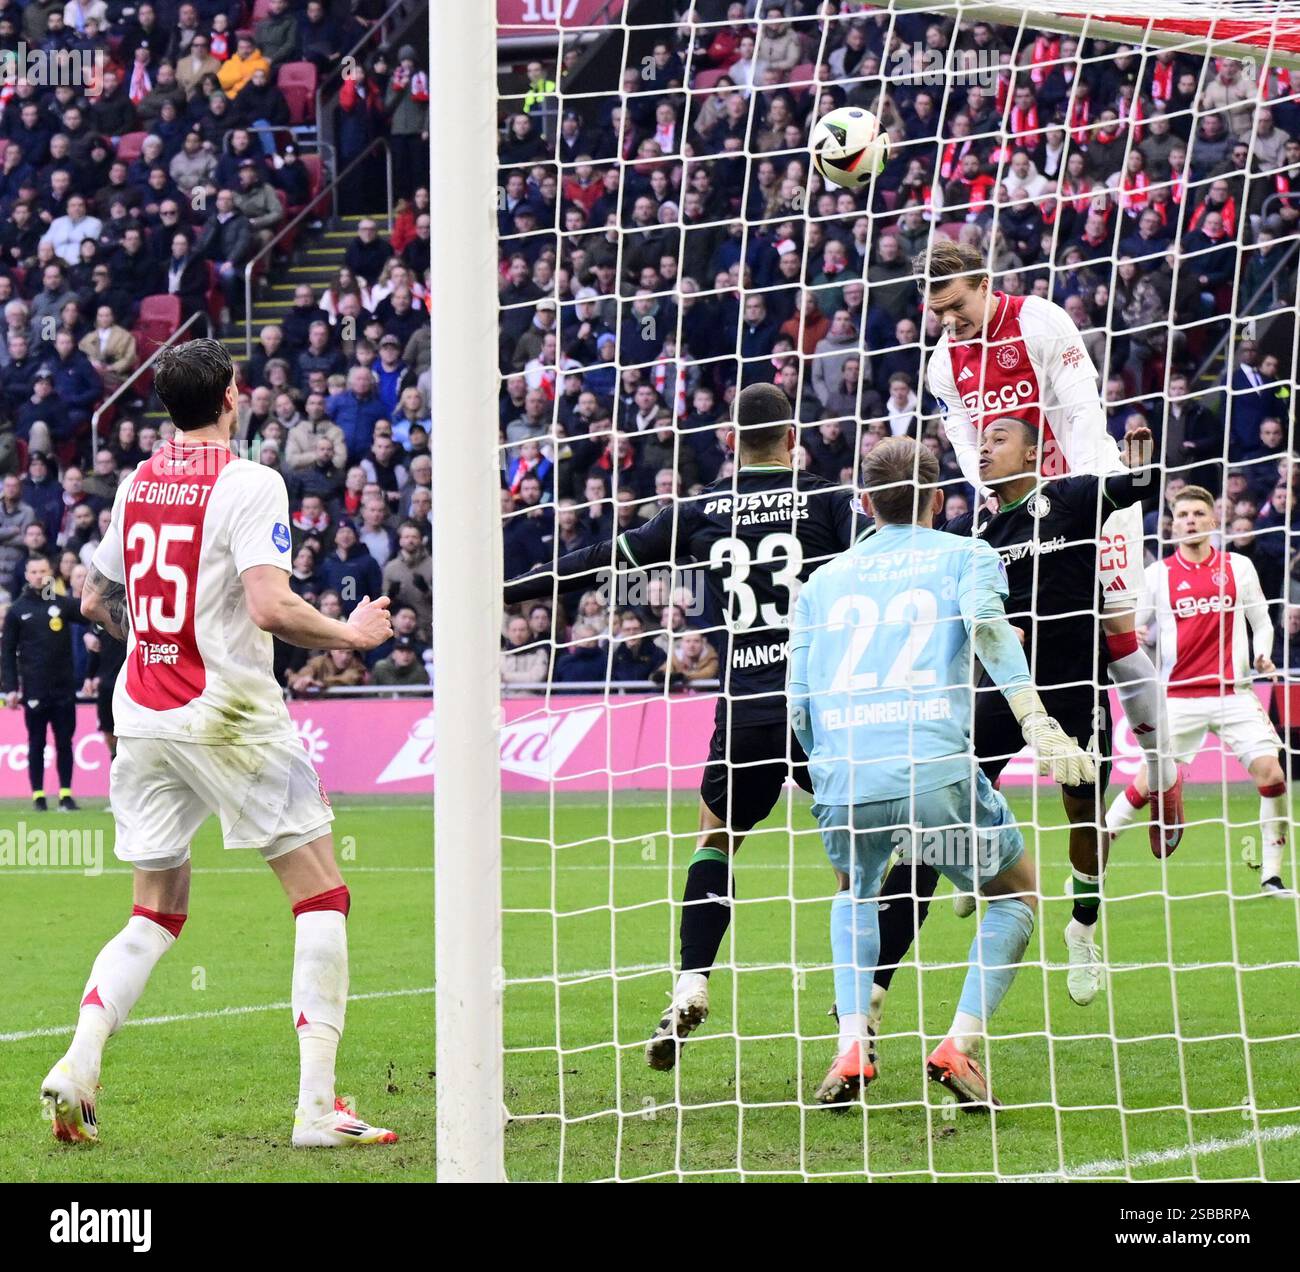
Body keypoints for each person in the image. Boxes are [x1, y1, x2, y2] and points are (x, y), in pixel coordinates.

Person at [41, 339, 398, 1148]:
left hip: (141, 713)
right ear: (234, 397)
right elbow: (270, 607)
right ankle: (317, 1110)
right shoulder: (248, 481)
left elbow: (95, 592)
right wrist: (352, 632)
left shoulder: (135, 484)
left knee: (155, 912)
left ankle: (78, 1062)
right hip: (226, 713)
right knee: (320, 896)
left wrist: (153, 640)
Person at [503, 383, 864, 1070]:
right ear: (794, 438)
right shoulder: (829, 502)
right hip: (823, 709)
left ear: (731, 442)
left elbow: (600, 563)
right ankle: (855, 1020)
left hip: (744, 709)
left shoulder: (698, 510)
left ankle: (692, 980)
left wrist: (510, 588)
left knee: (718, 837)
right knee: (852, 856)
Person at [790, 436, 1092, 1107]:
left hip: (845, 777)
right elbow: (989, 628)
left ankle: (850, 1047)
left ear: (863, 501)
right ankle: (958, 1045)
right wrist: (1037, 723)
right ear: (938, 498)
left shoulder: (821, 583)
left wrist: (829, 774)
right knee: (1014, 893)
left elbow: (799, 702)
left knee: (855, 892)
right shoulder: (965, 553)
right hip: (933, 777)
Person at [872, 420, 1161, 1035]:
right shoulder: (972, 532)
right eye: (981, 441)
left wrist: (1140, 459)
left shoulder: (1073, 498)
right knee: (946, 803)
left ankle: (1081, 927)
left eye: (998, 438)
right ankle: (952, 896)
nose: (984, 447)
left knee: (1083, 812)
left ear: (1033, 452)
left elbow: (1136, 487)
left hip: (1074, 687)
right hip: (1001, 693)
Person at [921, 238, 1183, 853]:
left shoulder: (1042, 320)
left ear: (984, 284)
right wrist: (992, 493)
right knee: (1019, 636)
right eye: (938, 313)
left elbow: (1084, 413)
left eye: (956, 305)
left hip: (1086, 493)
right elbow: (963, 441)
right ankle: (981, 833)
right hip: (1016, 507)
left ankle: (1163, 771)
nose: (949, 321)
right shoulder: (942, 364)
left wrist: (1084, 500)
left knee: (1117, 640)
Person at [1107, 486, 1291, 895]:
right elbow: (1133, 626)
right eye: (1182, 515)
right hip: (1177, 698)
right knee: (1144, 785)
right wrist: (1135, 633)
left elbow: (1262, 622)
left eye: (1197, 513)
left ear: (1212, 521)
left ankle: (1272, 874)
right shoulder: (1158, 575)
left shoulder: (1237, 567)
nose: (1189, 520)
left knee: (1273, 774)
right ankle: (1092, 863)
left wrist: (1262, 655)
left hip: (1235, 693)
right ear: (1173, 526)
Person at [1, 554, 82, 810]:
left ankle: (66, 794)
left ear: (50, 573)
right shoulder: (17, 610)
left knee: (65, 742)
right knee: (36, 742)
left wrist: (96, 635)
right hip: (35, 688)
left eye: (43, 570)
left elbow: (92, 616)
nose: (39, 575)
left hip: (63, 687)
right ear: (26, 575)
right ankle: (38, 795)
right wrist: (11, 688)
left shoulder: (62, 604)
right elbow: (7, 653)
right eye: (34, 571)